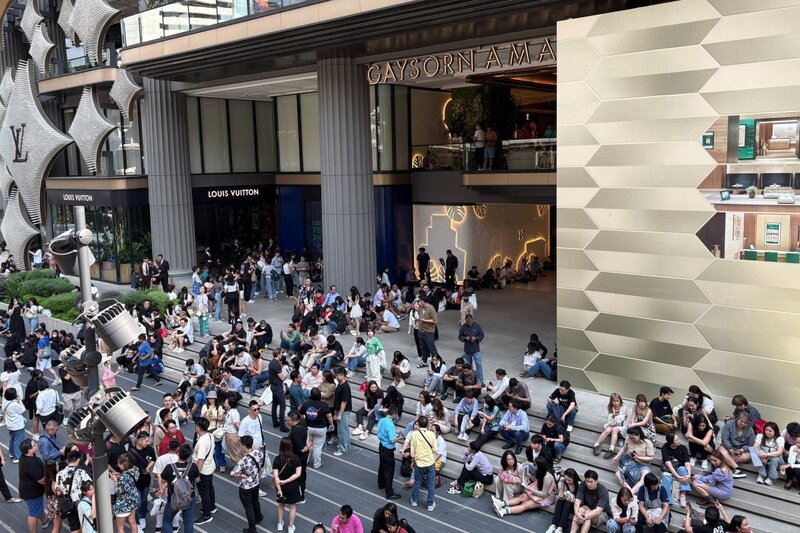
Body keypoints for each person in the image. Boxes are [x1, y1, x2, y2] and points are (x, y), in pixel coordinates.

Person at [159, 444, 200, 533]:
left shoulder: (169, 467)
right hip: (189, 498)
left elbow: (163, 480)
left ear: (178, 453)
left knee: (167, 521)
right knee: (188, 522)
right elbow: (197, 480)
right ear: (189, 455)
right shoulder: (193, 466)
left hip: (173, 499)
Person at [230, 435, 263, 533]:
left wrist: (242, 475)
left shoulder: (244, 460)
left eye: (241, 444)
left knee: (248, 508)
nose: (240, 445)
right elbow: (259, 449)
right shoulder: (259, 453)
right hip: (255, 482)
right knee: (255, 501)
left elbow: (232, 473)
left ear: (244, 446)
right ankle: (258, 516)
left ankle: (252, 529)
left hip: (245, 486)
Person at [612, 426, 654, 494]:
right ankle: (629, 490)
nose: (631, 439)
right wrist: (617, 456)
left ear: (638, 435)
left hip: (643, 464)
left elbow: (651, 458)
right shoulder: (628, 438)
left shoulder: (647, 443)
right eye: (630, 437)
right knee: (617, 474)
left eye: (633, 438)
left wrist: (638, 458)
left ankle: (630, 493)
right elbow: (624, 448)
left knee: (644, 479)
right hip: (629, 461)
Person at [273, 437, 303, 533]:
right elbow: (298, 474)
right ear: (291, 446)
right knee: (292, 507)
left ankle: (280, 524)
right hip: (293, 487)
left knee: (280, 505)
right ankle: (290, 527)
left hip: (281, 487)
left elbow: (276, 476)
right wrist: (286, 481)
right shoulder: (296, 459)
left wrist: (279, 489)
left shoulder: (277, 459)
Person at [408, 415, 437, 511]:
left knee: (417, 481)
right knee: (431, 483)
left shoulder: (414, 434)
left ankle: (414, 500)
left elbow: (412, 450)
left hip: (419, 462)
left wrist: (413, 460)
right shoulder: (432, 434)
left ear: (418, 424)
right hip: (430, 462)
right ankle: (430, 504)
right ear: (427, 424)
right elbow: (435, 449)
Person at [128, 432, 156, 531]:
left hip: (145, 480)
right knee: (138, 503)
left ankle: (142, 517)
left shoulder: (149, 449)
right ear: (139, 441)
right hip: (135, 482)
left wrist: (148, 467)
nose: (148, 443)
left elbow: (153, 459)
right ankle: (136, 521)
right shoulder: (131, 452)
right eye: (146, 441)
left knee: (144, 500)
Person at [376, 406, 403, 500]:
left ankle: (381, 483)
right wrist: (399, 438)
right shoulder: (390, 424)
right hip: (388, 448)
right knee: (389, 471)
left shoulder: (382, 420)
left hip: (381, 445)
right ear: (394, 414)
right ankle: (389, 492)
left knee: (382, 466)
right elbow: (392, 440)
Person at [19, 439, 46, 533]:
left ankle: (45, 520)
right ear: (29, 450)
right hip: (32, 493)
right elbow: (41, 480)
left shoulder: (24, 457)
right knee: (33, 514)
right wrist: (50, 473)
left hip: (28, 490)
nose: (36, 444)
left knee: (38, 508)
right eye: (34, 445)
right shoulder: (31, 463)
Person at [193, 418, 216, 523]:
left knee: (204, 493)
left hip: (203, 470)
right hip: (210, 467)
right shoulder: (210, 435)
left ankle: (207, 515)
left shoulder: (202, 441)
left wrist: (197, 475)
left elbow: (201, 459)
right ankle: (212, 506)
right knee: (210, 488)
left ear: (198, 427)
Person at [718, 412, 755, 478]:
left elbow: (751, 444)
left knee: (750, 455)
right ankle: (737, 469)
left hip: (740, 452)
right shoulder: (729, 424)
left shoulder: (750, 429)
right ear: (737, 418)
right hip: (728, 448)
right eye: (741, 421)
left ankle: (727, 465)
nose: (743, 424)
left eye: (745, 423)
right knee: (721, 450)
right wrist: (731, 450)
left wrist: (743, 449)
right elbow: (724, 439)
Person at [110, 454, 140, 533]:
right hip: (132, 499)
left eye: (118, 464)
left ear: (122, 464)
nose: (118, 466)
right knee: (133, 522)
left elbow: (118, 491)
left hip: (122, 504)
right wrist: (120, 476)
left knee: (120, 527)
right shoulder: (136, 469)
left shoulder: (124, 477)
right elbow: (128, 482)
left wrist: (115, 480)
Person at [546, 468, 581, 533]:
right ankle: (553, 525)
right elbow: (560, 491)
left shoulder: (579, 484)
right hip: (565, 500)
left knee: (567, 502)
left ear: (574, 479)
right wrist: (561, 495)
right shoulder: (562, 480)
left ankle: (560, 527)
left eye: (569, 480)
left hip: (575, 505)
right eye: (566, 479)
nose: (567, 481)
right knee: (560, 500)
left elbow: (578, 500)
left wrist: (570, 498)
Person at [661, 432, 691, 508]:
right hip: (668, 470)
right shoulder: (665, 448)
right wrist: (677, 477)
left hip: (680, 469)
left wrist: (689, 475)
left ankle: (682, 495)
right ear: (671, 443)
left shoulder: (683, 448)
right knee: (666, 479)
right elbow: (668, 464)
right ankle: (667, 499)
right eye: (677, 440)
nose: (679, 440)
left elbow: (687, 463)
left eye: (678, 438)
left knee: (683, 469)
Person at [593, 393, 628, 459]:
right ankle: (596, 445)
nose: (616, 403)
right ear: (611, 401)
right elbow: (610, 422)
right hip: (613, 424)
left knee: (614, 429)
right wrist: (613, 416)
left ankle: (611, 449)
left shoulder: (624, 407)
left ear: (620, 400)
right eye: (614, 401)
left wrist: (614, 416)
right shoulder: (610, 407)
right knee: (608, 430)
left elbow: (620, 420)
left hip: (621, 425)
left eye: (617, 401)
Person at [286, 412, 310, 498]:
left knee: (297, 475)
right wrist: (307, 443)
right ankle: (303, 487)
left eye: (288, 420)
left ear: (294, 421)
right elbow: (307, 432)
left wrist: (307, 447)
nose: (287, 421)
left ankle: (300, 495)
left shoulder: (295, 432)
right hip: (304, 456)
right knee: (303, 472)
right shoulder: (302, 422)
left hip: (298, 457)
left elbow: (302, 449)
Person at [458, 314, 485, 383]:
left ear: (472, 320)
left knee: (479, 365)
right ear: (465, 321)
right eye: (467, 322)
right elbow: (460, 336)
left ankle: (481, 380)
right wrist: (465, 338)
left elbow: (482, 335)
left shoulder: (477, 326)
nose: (469, 323)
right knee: (469, 366)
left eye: (470, 321)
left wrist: (476, 338)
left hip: (476, 349)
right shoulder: (463, 327)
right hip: (467, 350)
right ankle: (471, 379)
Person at [268, 349, 290, 433]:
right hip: (277, 387)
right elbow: (282, 377)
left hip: (273, 386)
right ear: (278, 354)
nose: (282, 355)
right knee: (283, 406)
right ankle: (282, 426)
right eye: (281, 353)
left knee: (274, 404)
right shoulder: (276, 364)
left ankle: (275, 422)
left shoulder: (272, 362)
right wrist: (287, 373)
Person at [3, 388, 26, 462]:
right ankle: (17, 457)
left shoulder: (4, 401)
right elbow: (23, 409)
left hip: (10, 425)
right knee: (18, 441)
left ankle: (11, 453)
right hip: (17, 425)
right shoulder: (14, 404)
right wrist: (20, 401)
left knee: (12, 439)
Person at [334, 368, 353, 456]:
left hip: (343, 411)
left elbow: (344, 402)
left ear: (343, 375)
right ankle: (346, 446)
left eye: (338, 375)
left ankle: (342, 449)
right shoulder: (340, 384)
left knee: (342, 431)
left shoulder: (345, 387)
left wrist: (339, 414)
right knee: (343, 430)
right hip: (340, 410)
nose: (336, 377)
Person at [416, 298, 437, 365]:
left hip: (428, 331)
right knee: (423, 347)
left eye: (420, 301)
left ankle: (436, 362)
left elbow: (435, 321)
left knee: (431, 347)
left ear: (423, 301)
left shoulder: (431, 308)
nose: (419, 302)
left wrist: (424, 320)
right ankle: (425, 361)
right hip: (421, 330)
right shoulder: (421, 307)